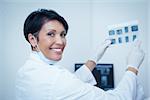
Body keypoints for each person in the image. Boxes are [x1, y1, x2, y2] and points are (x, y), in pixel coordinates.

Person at [15, 9, 145, 100]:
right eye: (51, 34)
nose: (60, 41)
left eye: (63, 34)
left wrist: (93, 60)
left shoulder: (26, 71)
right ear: (32, 39)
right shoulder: (56, 79)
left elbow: (68, 86)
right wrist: (132, 68)